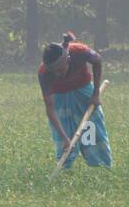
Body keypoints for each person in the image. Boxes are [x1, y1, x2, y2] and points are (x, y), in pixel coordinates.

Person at [39, 31, 112, 169]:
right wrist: (65, 137)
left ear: (68, 59)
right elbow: (50, 109)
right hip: (59, 96)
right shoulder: (44, 73)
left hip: (84, 91)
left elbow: (97, 61)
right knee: (63, 139)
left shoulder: (80, 51)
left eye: (60, 70)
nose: (57, 75)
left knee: (92, 128)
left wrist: (96, 93)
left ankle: (101, 167)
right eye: (54, 72)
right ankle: (64, 169)